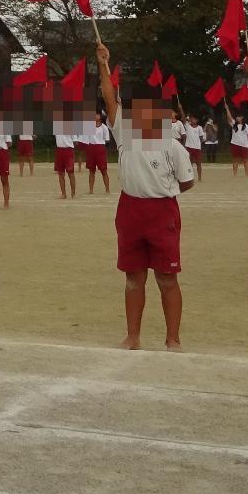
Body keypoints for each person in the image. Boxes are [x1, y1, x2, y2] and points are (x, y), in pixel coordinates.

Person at [97, 43, 194, 351]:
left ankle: (173, 338)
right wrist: (102, 64)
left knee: (167, 278)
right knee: (133, 278)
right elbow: (108, 97)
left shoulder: (172, 146)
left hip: (162, 212)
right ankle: (133, 336)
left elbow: (186, 182)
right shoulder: (124, 133)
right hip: (130, 211)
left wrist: (161, 191)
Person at [80, 110, 111, 194]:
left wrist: (104, 151)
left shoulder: (104, 127)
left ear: (100, 117)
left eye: (97, 114)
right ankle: (91, 190)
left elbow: (107, 139)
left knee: (104, 171)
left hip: (100, 148)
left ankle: (107, 189)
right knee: (91, 171)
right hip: (91, 148)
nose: (95, 116)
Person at [52, 107, 79, 199]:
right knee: (60, 173)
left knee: (70, 172)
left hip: (68, 150)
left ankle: (73, 193)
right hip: (59, 150)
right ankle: (63, 193)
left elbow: (75, 141)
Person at [224, 107, 248, 178]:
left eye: (238, 117)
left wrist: (244, 140)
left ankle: (246, 174)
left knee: (245, 160)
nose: (237, 118)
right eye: (236, 117)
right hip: (235, 144)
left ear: (242, 117)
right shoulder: (234, 124)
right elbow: (229, 117)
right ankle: (235, 174)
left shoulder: (246, 126)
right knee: (235, 160)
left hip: (244, 145)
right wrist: (227, 108)